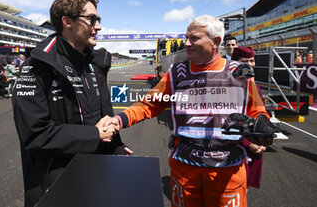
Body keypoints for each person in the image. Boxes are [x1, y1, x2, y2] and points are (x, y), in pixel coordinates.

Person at [103, 15, 273, 207]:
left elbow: (258, 111)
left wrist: (263, 125)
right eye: (186, 37)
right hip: (185, 170)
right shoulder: (177, 73)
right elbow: (149, 104)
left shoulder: (239, 72)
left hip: (227, 172)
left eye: (194, 38)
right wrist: (119, 120)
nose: (186, 43)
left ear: (215, 42)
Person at [12, 0, 131, 207]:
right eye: (92, 19)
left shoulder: (95, 65)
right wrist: (94, 134)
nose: (99, 26)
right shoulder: (36, 66)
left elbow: (103, 117)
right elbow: (34, 133)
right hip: (56, 184)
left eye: (99, 19)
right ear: (67, 22)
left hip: (95, 176)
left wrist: (115, 146)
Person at [231, 46, 266, 189]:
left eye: (252, 60)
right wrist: (247, 143)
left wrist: (263, 140)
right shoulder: (228, 86)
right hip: (236, 146)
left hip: (254, 145)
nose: (250, 64)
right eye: (245, 61)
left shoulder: (253, 84)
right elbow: (226, 120)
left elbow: (261, 114)